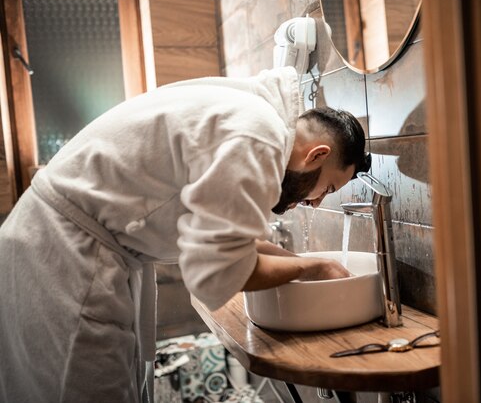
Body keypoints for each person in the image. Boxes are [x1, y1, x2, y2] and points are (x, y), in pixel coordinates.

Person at [0, 66, 370, 402]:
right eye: (328, 189)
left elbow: (225, 241)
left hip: (54, 241)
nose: (316, 203)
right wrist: (311, 270)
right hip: (64, 256)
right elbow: (214, 273)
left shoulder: (254, 116)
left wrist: (306, 263)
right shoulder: (260, 136)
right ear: (317, 155)